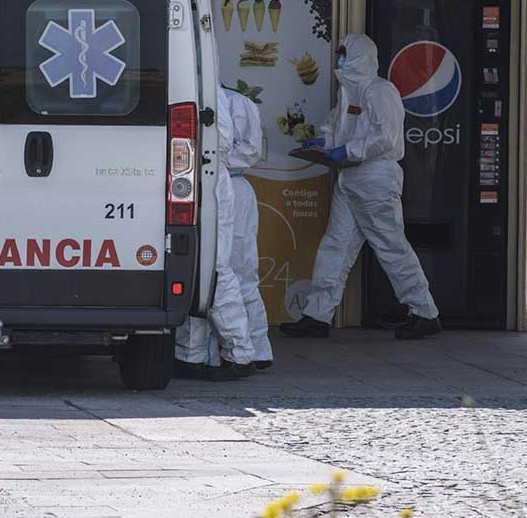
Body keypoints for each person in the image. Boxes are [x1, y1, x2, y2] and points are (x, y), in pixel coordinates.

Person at [280, 34, 441, 340]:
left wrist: (348, 151)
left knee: (390, 245)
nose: (339, 59)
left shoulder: (380, 91)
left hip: (375, 179)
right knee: (335, 247)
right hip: (351, 177)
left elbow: (387, 138)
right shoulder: (349, 93)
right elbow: (336, 128)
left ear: (358, 56)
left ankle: (424, 312)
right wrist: (324, 142)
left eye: (344, 54)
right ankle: (317, 314)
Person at [174, 86, 257, 380]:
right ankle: (190, 353)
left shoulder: (208, 91)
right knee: (193, 270)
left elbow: (216, 142)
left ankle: (240, 353)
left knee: (214, 270)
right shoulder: (198, 85)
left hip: (206, 179)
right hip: (193, 177)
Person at [223, 87, 273, 370]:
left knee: (240, 269)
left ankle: (256, 347)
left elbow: (251, 149)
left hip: (233, 185)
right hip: (212, 185)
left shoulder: (237, 102)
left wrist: (215, 161)